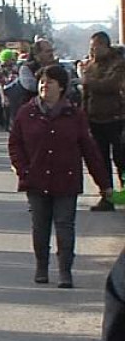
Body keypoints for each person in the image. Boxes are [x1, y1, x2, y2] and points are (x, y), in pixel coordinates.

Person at [8, 65, 112, 288]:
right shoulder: (27, 113)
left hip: (66, 179)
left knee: (65, 226)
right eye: (42, 82)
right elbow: (15, 143)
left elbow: (90, 150)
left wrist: (104, 184)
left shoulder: (74, 115)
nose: (45, 86)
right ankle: (42, 267)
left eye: (50, 82)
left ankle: (65, 271)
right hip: (36, 179)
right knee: (40, 226)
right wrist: (22, 168)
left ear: (62, 86)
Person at [82, 31, 125, 212]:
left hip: (117, 118)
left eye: (96, 47)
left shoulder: (118, 64)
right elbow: (86, 93)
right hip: (95, 119)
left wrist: (88, 80)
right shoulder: (90, 66)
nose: (93, 50)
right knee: (100, 160)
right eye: (91, 47)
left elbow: (111, 84)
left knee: (121, 158)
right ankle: (106, 196)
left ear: (105, 46)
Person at [18, 39, 57, 105]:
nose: (51, 54)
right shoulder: (27, 68)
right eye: (48, 51)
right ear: (37, 55)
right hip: (33, 107)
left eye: (52, 51)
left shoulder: (57, 67)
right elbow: (31, 86)